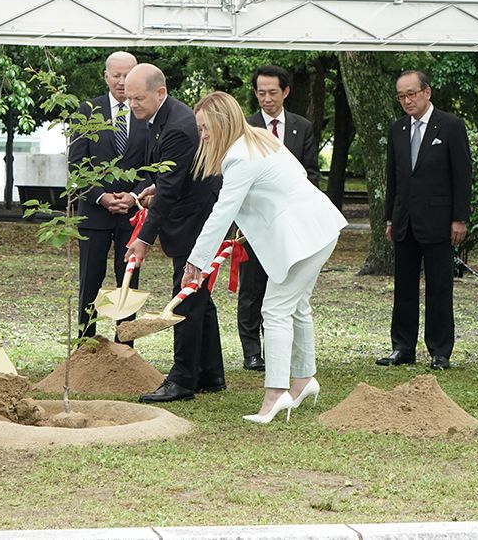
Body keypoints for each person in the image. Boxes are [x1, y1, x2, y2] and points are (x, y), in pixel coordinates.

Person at [183, 92, 346, 423]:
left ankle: (275, 394)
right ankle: (302, 382)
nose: (202, 136)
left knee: (274, 310)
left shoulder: (240, 156)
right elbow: (295, 175)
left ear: (222, 123)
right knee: (297, 307)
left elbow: (222, 212)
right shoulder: (258, 139)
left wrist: (195, 261)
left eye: (205, 128)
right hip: (317, 227)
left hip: (305, 235)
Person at [124, 64, 224, 403]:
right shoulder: (162, 119)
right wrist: (155, 186)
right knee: (200, 299)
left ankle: (182, 379)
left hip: (195, 219)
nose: (133, 105)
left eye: (139, 98)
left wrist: (143, 238)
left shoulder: (179, 126)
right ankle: (211, 373)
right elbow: (170, 178)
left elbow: (169, 191)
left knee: (186, 297)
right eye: (129, 98)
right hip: (189, 210)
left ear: (160, 93)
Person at [379, 70, 472, 371]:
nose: (406, 100)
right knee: (403, 287)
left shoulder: (451, 125)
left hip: (439, 221)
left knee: (439, 288)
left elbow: (462, 175)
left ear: (426, 92)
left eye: (411, 94)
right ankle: (402, 347)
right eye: (401, 96)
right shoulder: (397, 129)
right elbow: (393, 176)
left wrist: (460, 218)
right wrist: (390, 218)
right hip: (404, 220)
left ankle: (440, 350)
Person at [240, 65, 321, 372]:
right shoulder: (246, 127)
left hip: (292, 222)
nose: (266, 99)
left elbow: (311, 172)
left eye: (273, 92)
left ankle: (283, 350)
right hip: (256, 221)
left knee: (285, 284)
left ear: (285, 92)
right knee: (252, 286)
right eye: (261, 93)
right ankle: (252, 351)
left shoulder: (303, 126)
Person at [68, 51, 150, 343]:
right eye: (116, 75)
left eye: (127, 75)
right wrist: (101, 197)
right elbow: (77, 167)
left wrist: (133, 195)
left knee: (128, 281)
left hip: (132, 214)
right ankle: (85, 343)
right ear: (106, 76)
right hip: (94, 214)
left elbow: (152, 167)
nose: (121, 81)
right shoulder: (87, 111)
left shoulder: (146, 113)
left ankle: (125, 343)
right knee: (89, 281)